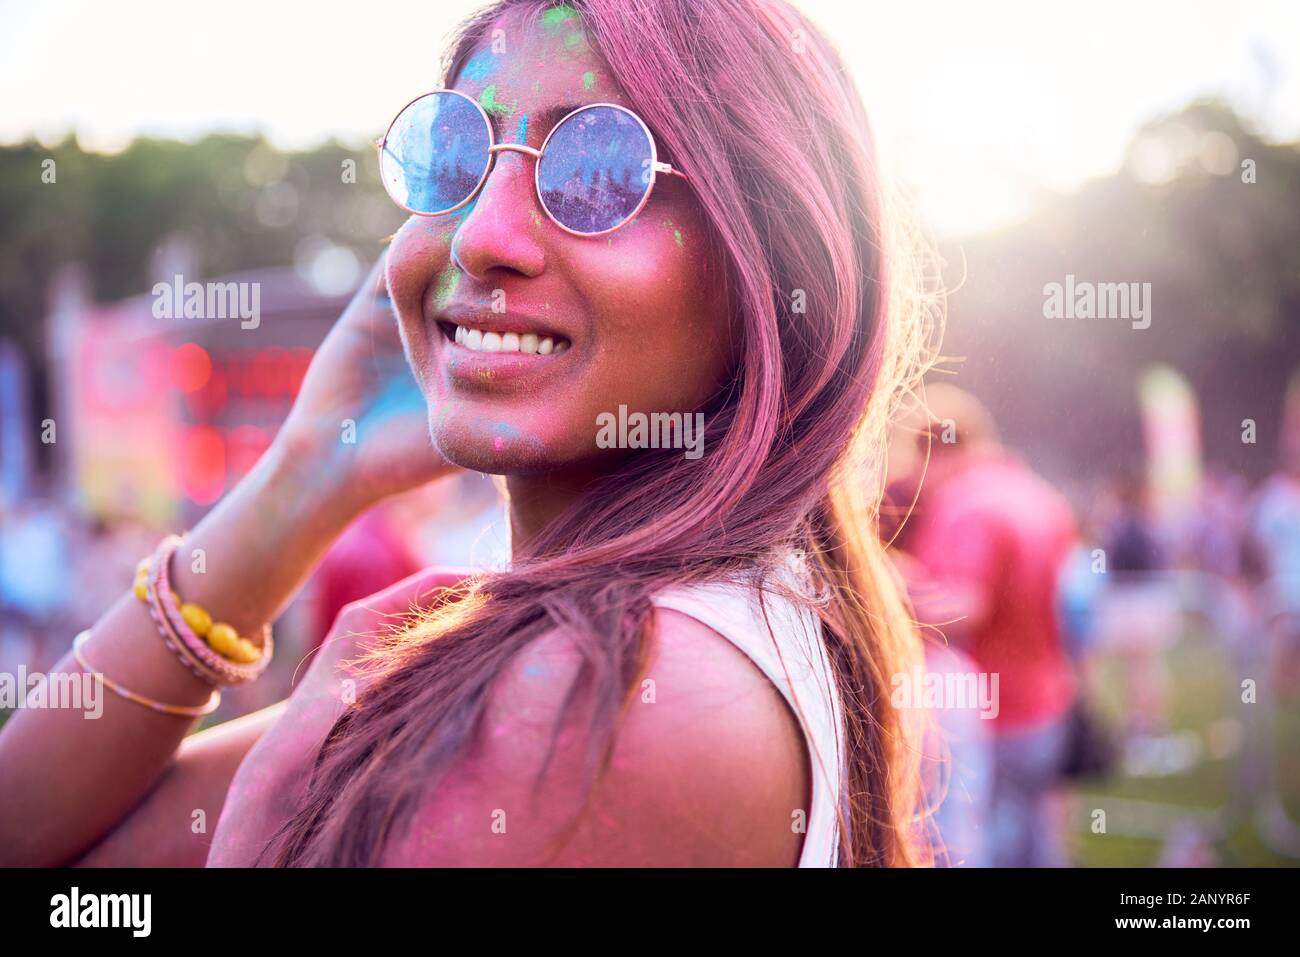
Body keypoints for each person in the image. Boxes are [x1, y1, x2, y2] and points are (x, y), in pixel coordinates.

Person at [0, 0, 939, 867]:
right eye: (456, 154)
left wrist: (264, 830)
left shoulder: (614, 690)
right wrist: (307, 472)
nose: (478, 235)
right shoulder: (724, 620)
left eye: (599, 170)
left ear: (774, 265)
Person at [890, 383, 1078, 867]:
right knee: (1038, 844)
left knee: (980, 843)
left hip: (995, 712)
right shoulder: (1037, 493)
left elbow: (965, 608)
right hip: (1048, 703)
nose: (912, 478)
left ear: (933, 447)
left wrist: (880, 590)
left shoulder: (965, 505)